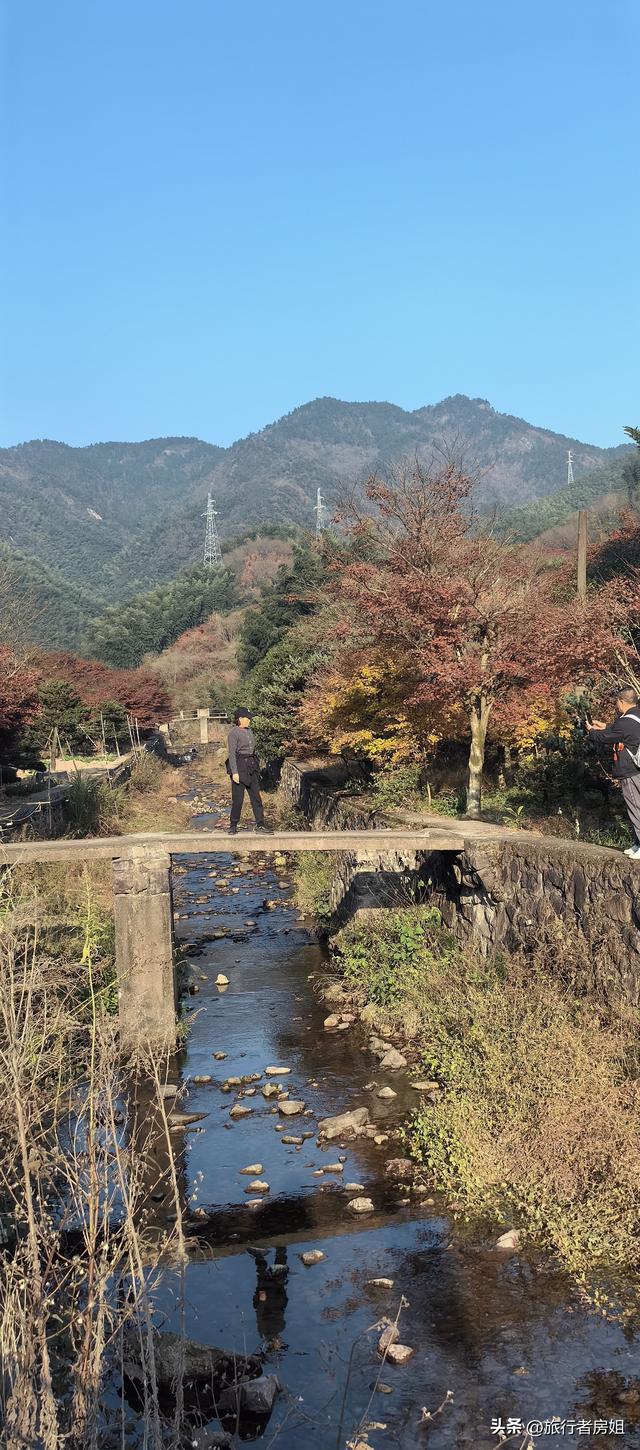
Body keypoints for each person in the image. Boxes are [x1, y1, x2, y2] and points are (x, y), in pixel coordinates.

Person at [587, 686, 640, 858]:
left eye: (617, 701)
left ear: (622, 702)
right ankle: (636, 844)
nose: (616, 705)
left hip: (630, 771)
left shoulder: (625, 722)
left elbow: (605, 738)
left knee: (635, 808)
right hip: (636, 769)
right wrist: (605, 726)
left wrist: (592, 732)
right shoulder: (634, 717)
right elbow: (618, 732)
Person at [226, 707, 272, 834]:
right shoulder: (233, 733)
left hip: (251, 767)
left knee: (256, 797)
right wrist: (234, 772)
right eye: (247, 718)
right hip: (239, 767)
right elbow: (231, 754)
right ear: (240, 719)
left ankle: (260, 825)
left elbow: (253, 750)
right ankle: (233, 825)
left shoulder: (250, 731)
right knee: (238, 799)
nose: (249, 720)